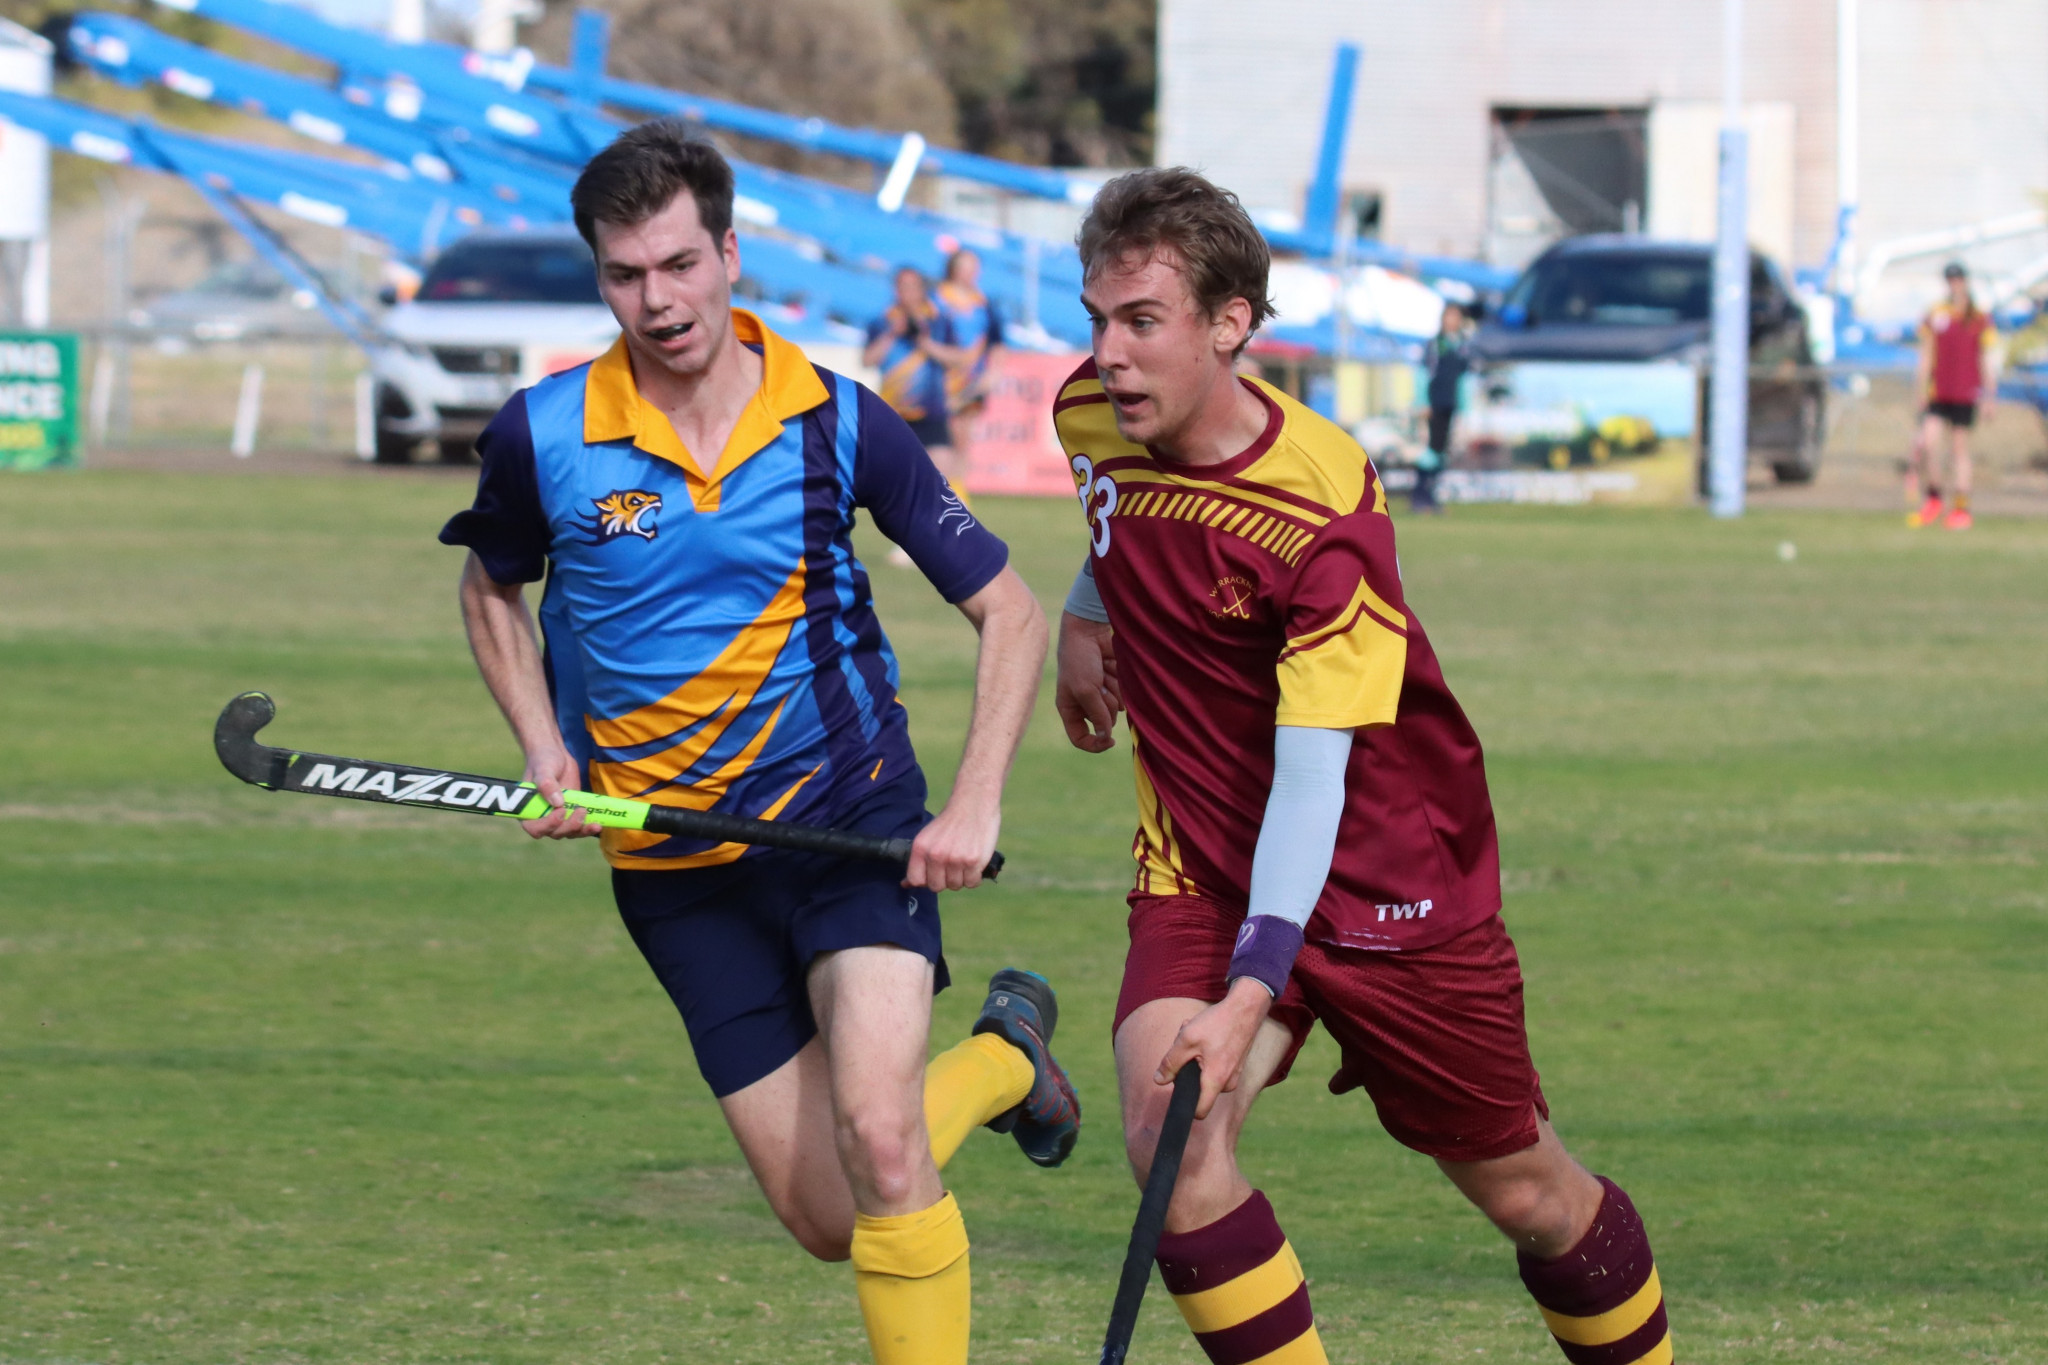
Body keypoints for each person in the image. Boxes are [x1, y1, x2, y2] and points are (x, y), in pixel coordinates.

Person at [439, 121, 1078, 1365]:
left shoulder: (838, 423)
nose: (656, 300)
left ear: (729, 253)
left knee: (885, 1142)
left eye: (679, 264)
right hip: (675, 869)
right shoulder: (545, 433)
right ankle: (1005, 1056)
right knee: (833, 1220)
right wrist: (544, 752)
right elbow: (488, 590)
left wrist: (975, 803)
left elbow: (1006, 609)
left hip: (849, 821)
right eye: (625, 275)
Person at [1052, 168, 1673, 1365]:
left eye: (1141, 323)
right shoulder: (1091, 416)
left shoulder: (1324, 513)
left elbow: (1313, 778)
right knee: (1168, 1144)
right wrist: (1087, 618)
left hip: (1381, 871)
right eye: (1096, 320)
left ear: (1229, 324)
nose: (1108, 355)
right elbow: (1111, 515)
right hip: (1199, 858)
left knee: (1528, 1196)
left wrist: (1249, 992)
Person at [1907, 261, 1999, 530]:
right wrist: (1920, 388)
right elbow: (1927, 354)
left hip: (1965, 392)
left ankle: (1961, 508)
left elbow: (1985, 360)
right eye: (1950, 279)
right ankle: (1934, 498)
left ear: (1965, 282)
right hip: (1939, 391)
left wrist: (1989, 396)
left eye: (1958, 279)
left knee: (1959, 449)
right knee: (1928, 443)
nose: (1954, 284)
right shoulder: (1936, 313)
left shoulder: (1978, 316)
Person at [935, 248, 1007, 448]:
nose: (970, 273)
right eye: (965, 268)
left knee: (962, 438)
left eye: (974, 268)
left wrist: (995, 371)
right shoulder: (937, 300)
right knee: (939, 440)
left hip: (971, 380)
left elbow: (997, 341)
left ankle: (956, 480)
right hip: (939, 378)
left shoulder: (983, 304)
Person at [1415, 299, 1472, 513]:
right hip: (1434, 405)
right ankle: (1420, 496)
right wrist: (1422, 402)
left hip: (1450, 406)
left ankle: (1431, 496)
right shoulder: (1435, 346)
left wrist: (1464, 409)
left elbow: (1464, 381)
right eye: (1449, 316)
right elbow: (1422, 375)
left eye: (1456, 317)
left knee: (1441, 453)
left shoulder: (1462, 347)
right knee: (1430, 450)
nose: (1453, 321)